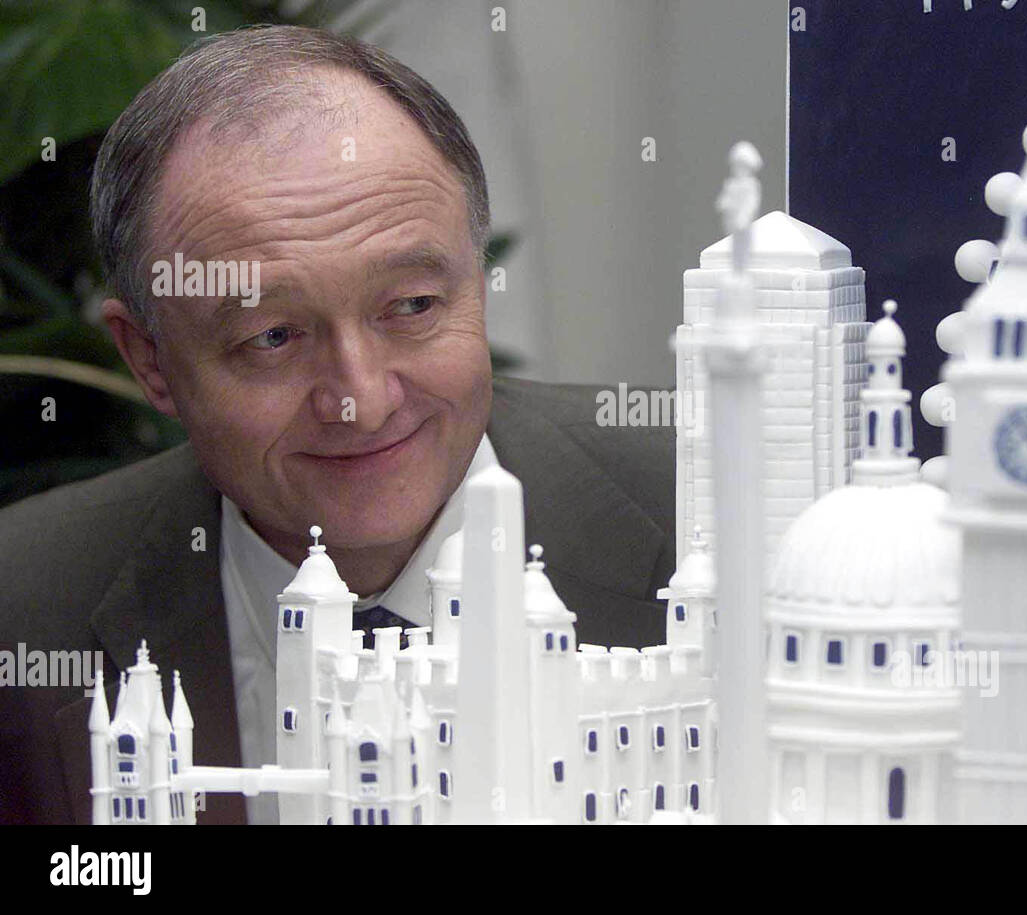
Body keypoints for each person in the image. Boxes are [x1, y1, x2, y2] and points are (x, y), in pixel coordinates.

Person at [0, 25, 673, 824]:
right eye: (273, 338)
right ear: (150, 361)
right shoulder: (23, 608)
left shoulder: (715, 517)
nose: (363, 398)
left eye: (414, 306)